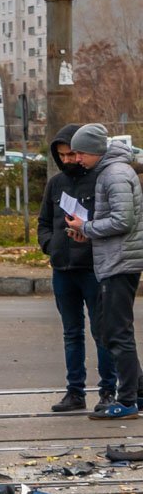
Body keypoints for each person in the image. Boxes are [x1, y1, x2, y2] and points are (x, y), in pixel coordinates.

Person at [65, 123, 143, 419]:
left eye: (80, 152)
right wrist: (89, 233)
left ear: (96, 150)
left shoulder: (115, 174)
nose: (77, 158)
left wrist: (86, 227)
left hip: (120, 262)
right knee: (114, 329)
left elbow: (123, 221)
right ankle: (138, 391)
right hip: (117, 258)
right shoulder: (112, 172)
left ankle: (126, 401)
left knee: (115, 332)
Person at [37, 125, 116, 412]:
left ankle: (108, 390)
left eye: (72, 154)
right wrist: (50, 245)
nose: (68, 159)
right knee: (71, 333)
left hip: (93, 268)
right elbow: (44, 222)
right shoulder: (55, 184)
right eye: (62, 155)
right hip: (62, 269)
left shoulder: (100, 180)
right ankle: (75, 392)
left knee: (102, 331)